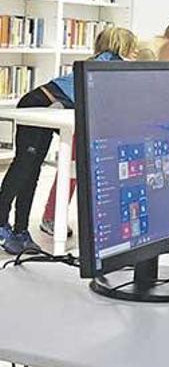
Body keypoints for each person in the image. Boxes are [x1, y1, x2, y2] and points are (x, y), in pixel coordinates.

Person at [0, 27, 140, 253]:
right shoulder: (107, 62)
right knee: (24, 168)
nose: (135, 52)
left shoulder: (102, 62)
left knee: (32, 171)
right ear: (120, 44)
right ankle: (2, 222)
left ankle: (20, 230)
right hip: (38, 104)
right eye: (132, 46)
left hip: (46, 106)